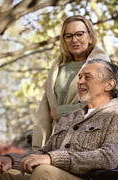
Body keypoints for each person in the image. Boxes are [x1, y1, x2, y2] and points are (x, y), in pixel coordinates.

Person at [32, 15, 110, 149]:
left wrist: (61, 112)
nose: (74, 40)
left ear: (90, 37)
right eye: (68, 36)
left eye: (79, 34)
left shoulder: (101, 65)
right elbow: (47, 103)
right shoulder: (58, 67)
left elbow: (102, 103)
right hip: (57, 135)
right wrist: (37, 134)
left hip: (85, 136)